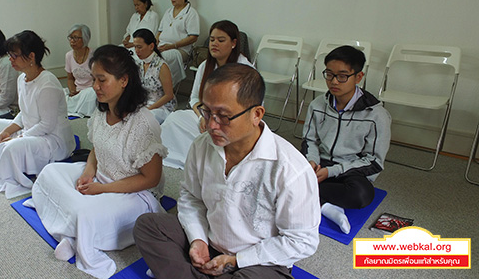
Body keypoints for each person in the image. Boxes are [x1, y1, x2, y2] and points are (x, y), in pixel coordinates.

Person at [134, 64, 320, 279]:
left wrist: (237, 260)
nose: (211, 125)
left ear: (256, 114)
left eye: (223, 116)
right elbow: (191, 198)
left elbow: (302, 241)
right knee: (149, 226)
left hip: (257, 261)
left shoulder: (290, 169)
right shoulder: (202, 145)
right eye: (207, 111)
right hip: (211, 241)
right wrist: (198, 240)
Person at [31, 45, 168, 279]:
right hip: (101, 175)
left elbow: (150, 179)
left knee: (84, 213)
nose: (95, 86)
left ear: (124, 80)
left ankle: (74, 235)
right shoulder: (102, 110)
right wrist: (88, 170)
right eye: (94, 79)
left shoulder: (144, 124)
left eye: (102, 80)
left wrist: (102, 189)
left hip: (135, 194)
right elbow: (97, 147)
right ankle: (72, 229)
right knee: (49, 173)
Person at [0, 30, 75, 199]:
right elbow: (25, 113)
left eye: (14, 56)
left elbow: (47, 125)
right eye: (10, 55)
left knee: (11, 146)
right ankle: (4, 157)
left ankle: (8, 159)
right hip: (33, 131)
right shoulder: (22, 78)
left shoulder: (48, 84)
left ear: (31, 57)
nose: (10, 60)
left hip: (52, 140)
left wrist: (19, 137)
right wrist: (8, 130)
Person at [301, 45, 391, 234]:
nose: (334, 81)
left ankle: (314, 197)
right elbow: (310, 140)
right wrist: (312, 162)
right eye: (329, 74)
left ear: (358, 77)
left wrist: (332, 171)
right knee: (279, 171)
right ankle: (327, 206)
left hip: (350, 170)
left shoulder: (377, 115)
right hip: (319, 164)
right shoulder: (317, 105)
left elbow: (374, 162)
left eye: (342, 76)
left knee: (361, 195)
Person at [160, 20, 252, 169]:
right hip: (206, 116)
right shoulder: (204, 66)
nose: (214, 44)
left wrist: (217, 119)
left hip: (231, 121)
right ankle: (186, 158)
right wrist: (203, 117)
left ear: (234, 43)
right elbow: (195, 98)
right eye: (212, 40)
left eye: (221, 40)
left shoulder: (244, 69)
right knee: (174, 119)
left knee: (215, 138)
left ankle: (211, 160)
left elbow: (250, 107)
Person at [156, 0, 200, 86]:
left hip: (180, 50)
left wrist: (172, 46)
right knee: (144, 55)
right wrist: (155, 43)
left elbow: (193, 37)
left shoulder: (191, 13)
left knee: (160, 58)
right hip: (162, 46)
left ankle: (164, 90)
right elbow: (159, 31)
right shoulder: (168, 12)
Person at [133, 28, 176, 123]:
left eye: (139, 47)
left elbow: (169, 95)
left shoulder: (161, 66)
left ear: (151, 46)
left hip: (160, 107)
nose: (136, 51)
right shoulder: (140, 64)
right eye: (135, 47)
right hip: (144, 103)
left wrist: (150, 108)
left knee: (143, 120)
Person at [64, 24, 97, 117]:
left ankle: (78, 106)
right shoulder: (68, 55)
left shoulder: (94, 55)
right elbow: (70, 79)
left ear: (85, 39)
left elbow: (98, 79)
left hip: (91, 91)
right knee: (60, 93)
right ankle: (77, 106)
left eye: (76, 38)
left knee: (91, 95)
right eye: (70, 38)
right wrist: (72, 91)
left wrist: (84, 92)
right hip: (77, 91)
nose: (72, 41)